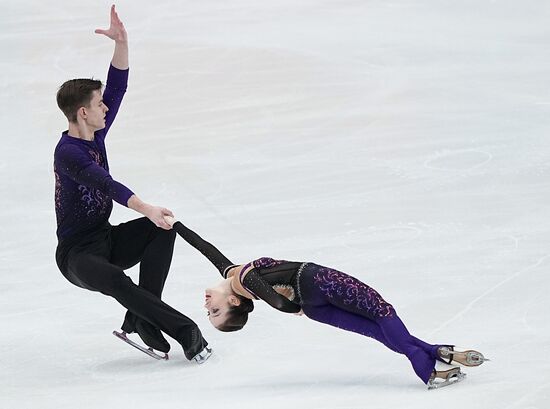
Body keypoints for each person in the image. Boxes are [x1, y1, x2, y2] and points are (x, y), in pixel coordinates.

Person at [53, 5, 210, 363]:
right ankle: (186, 331)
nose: (105, 109)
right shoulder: (69, 153)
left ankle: (141, 319)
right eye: (98, 105)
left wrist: (121, 42)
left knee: (161, 231)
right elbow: (106, 184)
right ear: (82, 113)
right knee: (119, 282)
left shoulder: (94, 134)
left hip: (105, 239)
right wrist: (147, 207)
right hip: (78, 256)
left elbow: (118, 86)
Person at [164, 216, 488, 388]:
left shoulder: (231, 272)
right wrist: (294, 307)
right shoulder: (246, 280)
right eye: (215, 312)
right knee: (383, 311)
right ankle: (427, 371)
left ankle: (436, 352)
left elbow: (205, 246)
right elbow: (277, 303)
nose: (207, 305)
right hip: (319, 282)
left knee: (377, 330)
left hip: (315, 307)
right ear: (234, 300)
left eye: (209, 312)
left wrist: (174, 225)